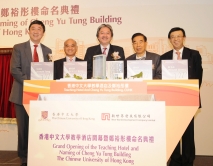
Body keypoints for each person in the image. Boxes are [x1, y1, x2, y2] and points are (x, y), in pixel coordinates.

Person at [9, 20, 52, 166]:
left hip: (40, 97)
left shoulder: (48, 51)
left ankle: (38, 156)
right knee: (23, 130)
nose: (36, 31)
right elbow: (15, 69)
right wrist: (30, 84)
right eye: (33, 28)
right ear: (28, 31)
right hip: (22, 94)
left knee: (39, 127)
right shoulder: (19, 48)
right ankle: (24, 159)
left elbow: (48, 73)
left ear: (43, 33)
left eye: (39, 29)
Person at [161, 27, 203, 166]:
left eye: (178, 36)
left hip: (188, 99)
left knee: (188, 133)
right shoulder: (164, 57)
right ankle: (175, 159)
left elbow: (198, 77)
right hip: (171, 101)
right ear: (169, 40)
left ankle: (188, 160)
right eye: (173, 37)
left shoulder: (194, 54)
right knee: (173, 131)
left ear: (184, 38)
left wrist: (188, 92)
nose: (176, 39)